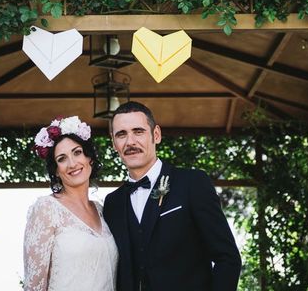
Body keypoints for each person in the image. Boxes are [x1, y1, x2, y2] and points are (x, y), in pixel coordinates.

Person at [103, 101, 242, 291]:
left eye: (138, 131)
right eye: (121, 134)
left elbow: (227, 258)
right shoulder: (112, 203)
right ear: (114, 143)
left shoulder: (192, 183)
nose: (130, 142)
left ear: (156, 135)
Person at [23, 116, 118, 291]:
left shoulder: (102, 211)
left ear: (89, 158)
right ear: (56, 171)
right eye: (62, 158)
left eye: (77, 152)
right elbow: (33, 286)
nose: (72, 163)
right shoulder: (47, 209)